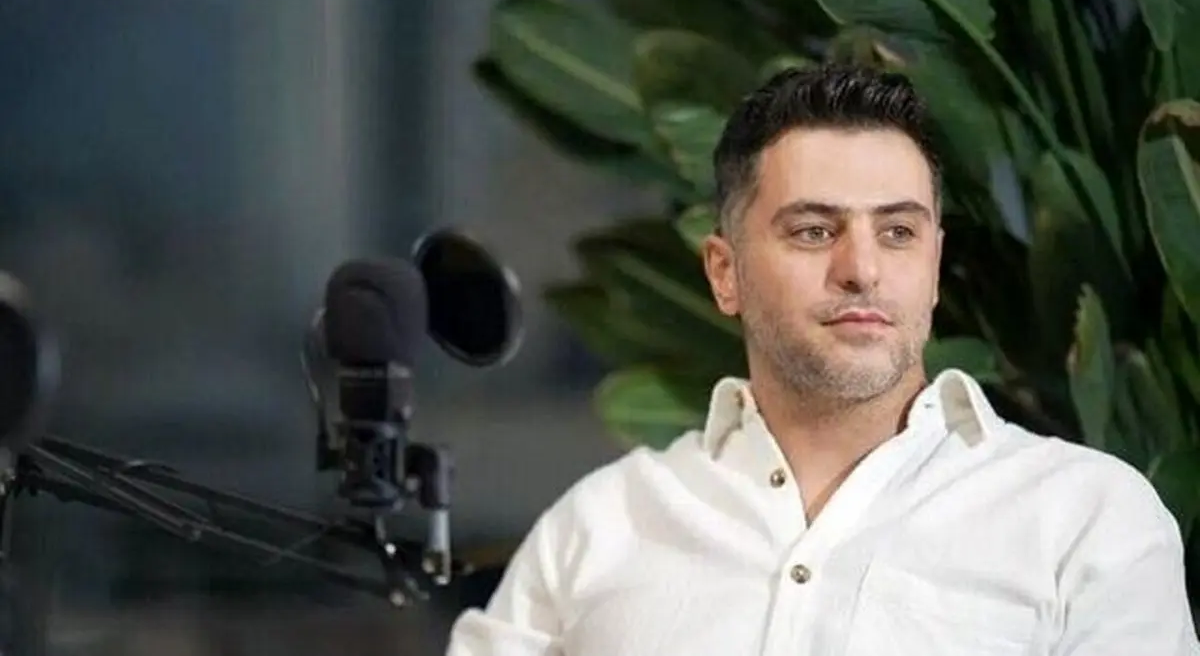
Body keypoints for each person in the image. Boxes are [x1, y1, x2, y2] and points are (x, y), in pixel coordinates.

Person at [444, 63, 1200, 655]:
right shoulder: (599, 526)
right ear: (725, 273)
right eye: (813, 231)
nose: (862, 270)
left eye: (898, 233)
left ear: (935, 265)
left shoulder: (1086, 518)